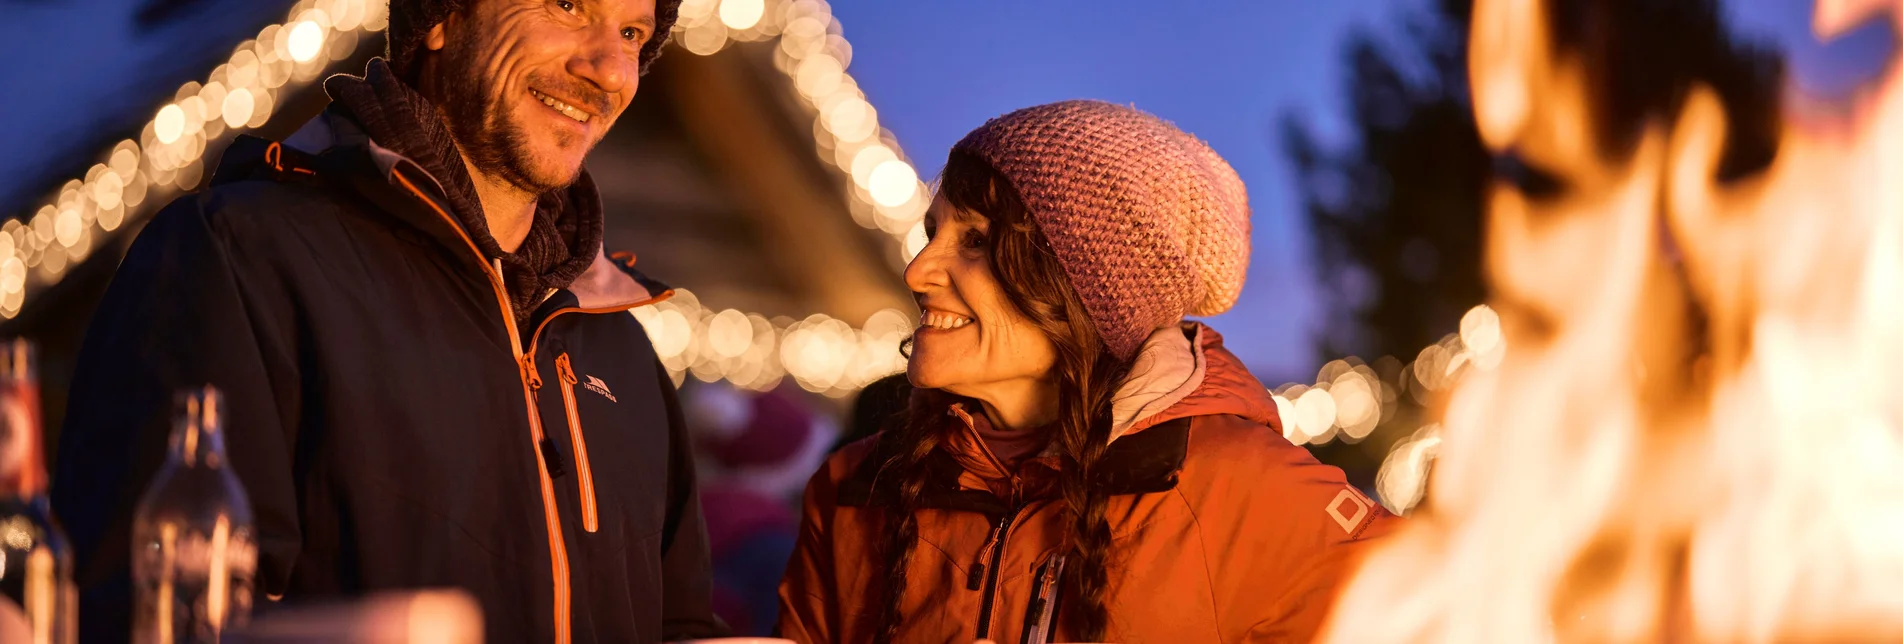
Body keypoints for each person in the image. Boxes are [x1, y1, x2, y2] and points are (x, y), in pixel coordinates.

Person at [50, 0, 724, 641]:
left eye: (633, 33)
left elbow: (680, 623)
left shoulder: (620, 350)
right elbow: (150, 613)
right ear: (441, 19)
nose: (607, 69)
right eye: (566, 5)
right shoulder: (241, 260)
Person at [776, 100, 1399, 643]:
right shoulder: (855, 488)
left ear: (1088, 292)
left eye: (977, 242)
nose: (918, 272)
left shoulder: (1249, 498)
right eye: (933, 232)